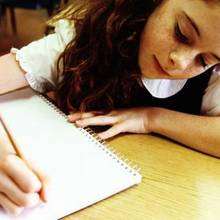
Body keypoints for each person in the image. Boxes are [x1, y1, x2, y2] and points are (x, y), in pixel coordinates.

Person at [0, 0, 220, 216]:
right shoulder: (82, 39)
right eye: (181, 33)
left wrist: (150, 118)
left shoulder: (212, 79)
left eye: (204, 60)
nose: (180, 62)